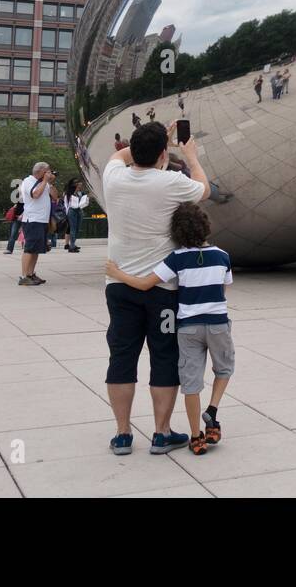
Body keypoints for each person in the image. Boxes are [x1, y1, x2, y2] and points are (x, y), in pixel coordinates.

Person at [101, 121, 210, 456]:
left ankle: (122, 434)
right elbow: (204, 189)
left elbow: (120, 155)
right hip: (163, 287)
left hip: (118, 284)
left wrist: (153, 138)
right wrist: (189, 155)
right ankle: (161, 432)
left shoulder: (113, 177)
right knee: (164, 356)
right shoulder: (172, 183)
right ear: (164, 153)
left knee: (121, 356)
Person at [105, 203, 233, 456]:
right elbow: (223, 288)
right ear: (206, 226)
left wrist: (117, 273)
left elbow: (144, 284)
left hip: (187, 326)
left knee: (188, 381)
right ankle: (204, 415)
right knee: (221, 368)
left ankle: (190, 435)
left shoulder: (176, 258)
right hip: (214, 322)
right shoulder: (222, 255)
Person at [19, 162, 56, 286]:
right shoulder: (28, 181)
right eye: (48, 171)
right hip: (33, 219)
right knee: (29, 248)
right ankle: (24, 276)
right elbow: (35, 195)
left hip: (42, 220)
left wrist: (50, 183)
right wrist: (45, 181)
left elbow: (55, 197)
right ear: (41, 172)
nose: (50, 173)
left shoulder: (44, 183)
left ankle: (31, 274)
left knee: (36, 249)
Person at [63, 178, 90, 252]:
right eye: (78, 183)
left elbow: (83, 202)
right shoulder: (68, 193)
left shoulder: (80, 193)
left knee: (77, 229)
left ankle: (73, 244)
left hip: (79, 210)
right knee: (73, 228)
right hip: (72, 211)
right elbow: (67, 204)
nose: (80, 185)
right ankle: (71, 246)